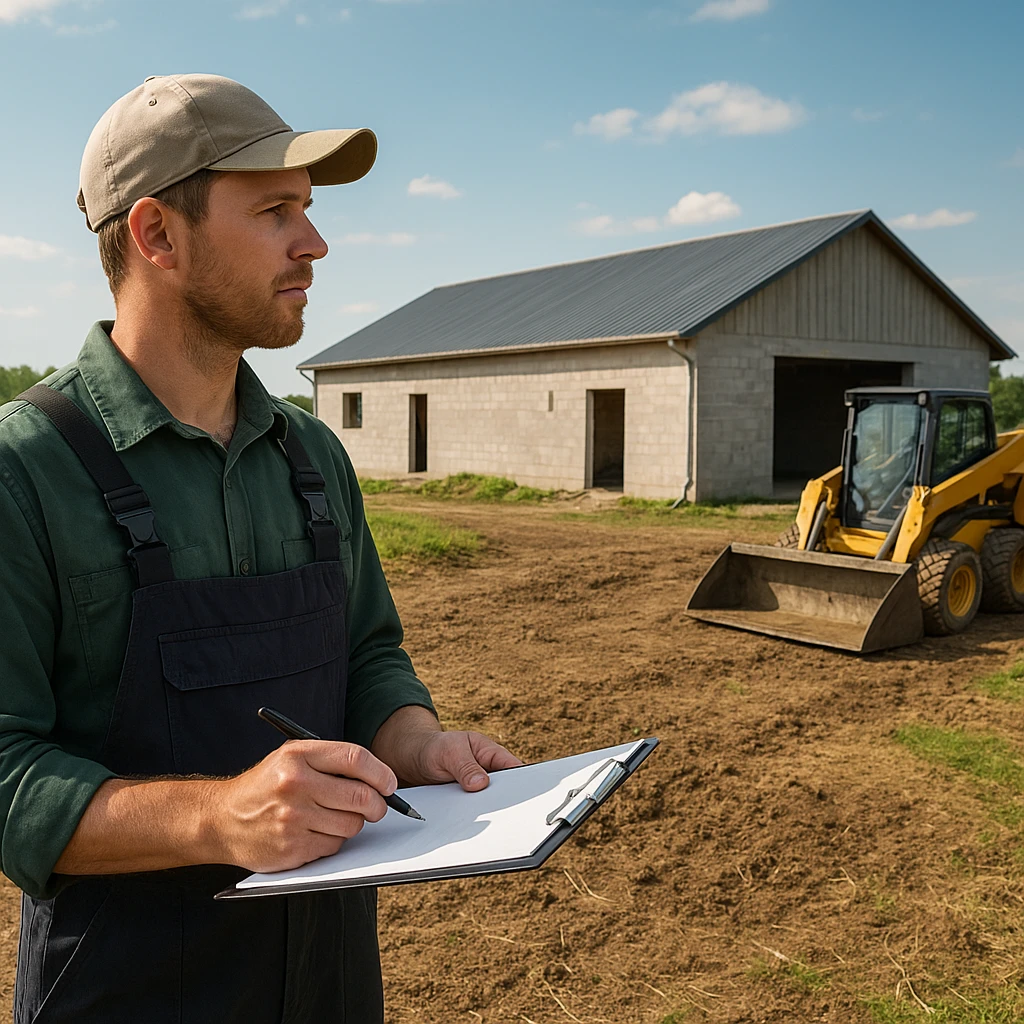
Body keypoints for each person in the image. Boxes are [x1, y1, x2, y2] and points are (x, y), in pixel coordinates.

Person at [0, 73, 521, 1023]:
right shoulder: (25, 473)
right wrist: (217, 815)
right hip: (126, 991)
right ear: (157, 234)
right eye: (277, 209)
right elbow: (4, 772)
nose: (315, 243)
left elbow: (367, 653)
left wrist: (415, 741)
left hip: (329, 981)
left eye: (309, 211)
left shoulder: (313, 456)